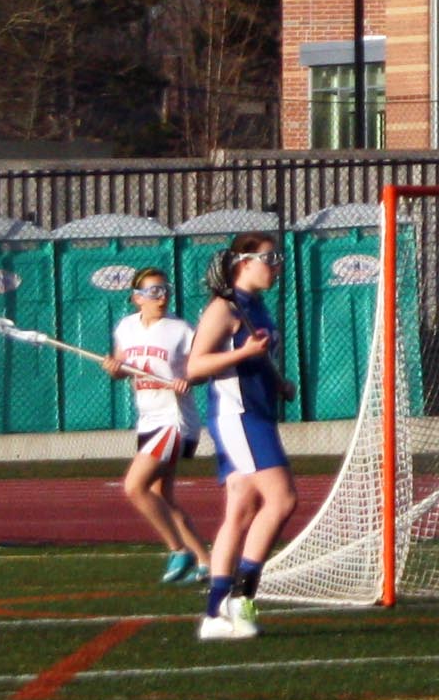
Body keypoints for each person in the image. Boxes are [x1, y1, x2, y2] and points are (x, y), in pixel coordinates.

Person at [187, 235, 299, 642]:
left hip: (258, 413)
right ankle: (243, 594)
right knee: (283, 499)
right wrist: (241, 354)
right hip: (239, 417)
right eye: (268, 258)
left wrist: (277, 380)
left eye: (277, 258)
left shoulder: (256, 306)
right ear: (243, 263)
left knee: (241, 511)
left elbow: (259, 355)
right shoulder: (225, 308)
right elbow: (196, 366)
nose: (276, 265)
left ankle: (215, 614)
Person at [105, 267, 205, 585]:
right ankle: (207, 562)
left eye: (165, 290)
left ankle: (178, 549)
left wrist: (186, 379)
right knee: (163, 497)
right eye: (153, 292)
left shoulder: (180, 329)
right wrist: (114, 368)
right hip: (148, 419)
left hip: (174, 421)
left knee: (135, 487)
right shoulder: (126, 327)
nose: (161, 297)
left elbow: (200, 368)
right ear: (137, 298)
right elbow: (122, 367)